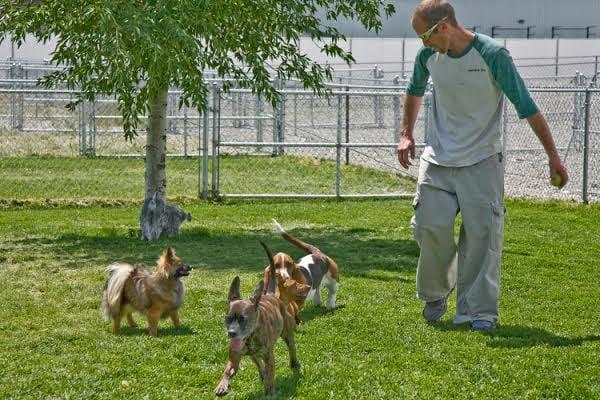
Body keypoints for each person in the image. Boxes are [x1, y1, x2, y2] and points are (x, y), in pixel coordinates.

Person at [397, 0, 569, 330]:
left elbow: (527, 107)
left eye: (426, 36)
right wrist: (406, 133)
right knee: (428, 226)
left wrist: (553, 157)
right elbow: (413, 91)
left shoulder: (493, 55)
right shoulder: (428, 57)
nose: (424, 44)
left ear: (443, 27)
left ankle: (478, 314)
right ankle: (436, 292)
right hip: (438, 159)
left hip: (482, 160)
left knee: (482, 238)